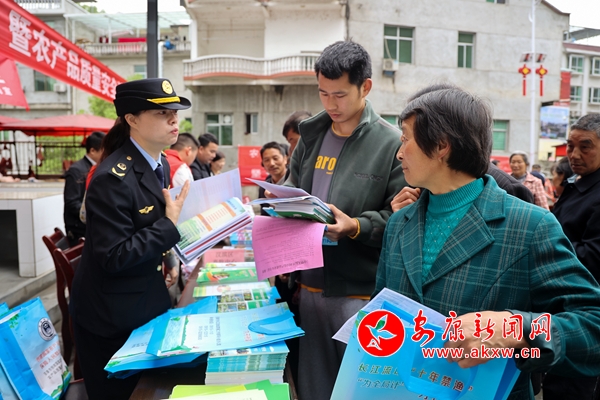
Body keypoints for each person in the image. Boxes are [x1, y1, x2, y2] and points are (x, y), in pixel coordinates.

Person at [374, 86, 600, 399]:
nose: (399, 153)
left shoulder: (529, 226)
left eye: (405, 139)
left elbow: (592, 325)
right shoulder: (400, 222)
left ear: (441, 145)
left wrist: (514, 329)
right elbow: (382, 313)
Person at [283, 41, 405, 400]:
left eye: (339, 95)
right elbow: (291, 186)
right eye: (323, 93)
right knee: (314, 386)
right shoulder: (310, 136)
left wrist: (356, 226)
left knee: (359, 388)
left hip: (359, 292)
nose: (330, 104)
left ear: (365, 87)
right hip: (309, 286)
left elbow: (401, 218)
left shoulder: (390, 143)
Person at [69, 78, 191, 399]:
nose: (173, 119)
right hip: (110, 317)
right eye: (161, 113)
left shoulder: (160, 163)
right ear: (132, 119)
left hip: (142, 300)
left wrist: (167, 256)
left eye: (175, 113)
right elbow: (114, 255)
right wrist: (169, 225)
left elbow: (143, 227)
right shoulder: (112, 178)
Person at [544, 113, 600, 400]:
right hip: (562, 305)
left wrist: (547, 246)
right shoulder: (577, 185)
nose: (575, 155)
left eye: (585, 147)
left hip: (586, 310)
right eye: (570, 146)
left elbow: (593, 256)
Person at [63, 131, 105, 246]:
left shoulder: (97, 167)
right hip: (79, 229)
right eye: (104, 150)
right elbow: (72, 202)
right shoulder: (77, 170)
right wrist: (95, 214)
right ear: (92, 151)